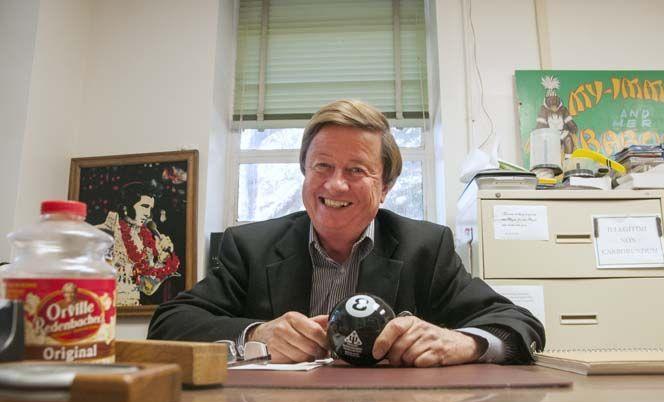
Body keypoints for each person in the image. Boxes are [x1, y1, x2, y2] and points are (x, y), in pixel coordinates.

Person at [148, 99, 545, 366]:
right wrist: (256, 333)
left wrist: (464, 342)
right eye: (322, 166)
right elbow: (168, 324)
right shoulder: (251, 246)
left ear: (385, 186)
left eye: (356, 170)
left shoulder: (426, 247)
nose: (335, 186)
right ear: (305, 173)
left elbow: (519, 324)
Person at [97, 181, 180, 306]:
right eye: (144, 206)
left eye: (150, 209)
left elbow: (147, 288)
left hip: (132, 311)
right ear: (126, 206)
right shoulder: (104, 233)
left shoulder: (143, 239)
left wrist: (161, 260)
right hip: (105, 307)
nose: (148, 214)